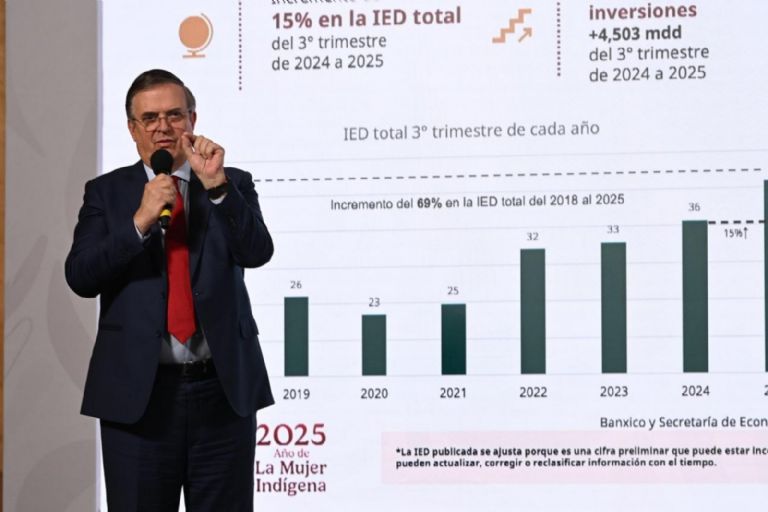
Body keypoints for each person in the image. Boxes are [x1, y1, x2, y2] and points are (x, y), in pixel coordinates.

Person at [65, 68, 274, 511]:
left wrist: (217, 188)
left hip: (222, 393)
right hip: (138, 398)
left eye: (174, 115)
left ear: (192, 120)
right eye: (150, 118)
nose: (163, 127)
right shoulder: (106, 193)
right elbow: (81, 276)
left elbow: (257, 252)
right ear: (132, 129)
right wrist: (139, 222)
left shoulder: (230, 182)